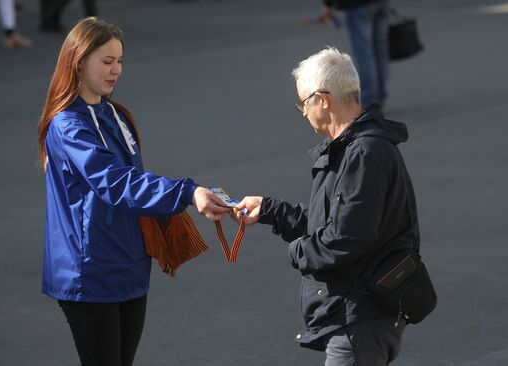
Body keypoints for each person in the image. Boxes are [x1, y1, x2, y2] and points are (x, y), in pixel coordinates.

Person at [37, 17, 230, 366]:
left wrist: (160, 231)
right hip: (89, 273)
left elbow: (132, 184)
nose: (117, 70)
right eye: (107, 61)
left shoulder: (114, 113)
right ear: (79, 62)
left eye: (120, 61)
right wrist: (188, 193)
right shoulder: (67, 125)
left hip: (128, 265)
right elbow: (115, 183)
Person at [233, 47, 418, 365]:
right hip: (359, 316)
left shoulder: (363, 154)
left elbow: (347, 237)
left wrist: (297, 253)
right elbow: (332, 223)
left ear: (322, 99)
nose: (303, 112)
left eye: (303, 103)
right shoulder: (352, 149)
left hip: (359, 320)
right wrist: (271, 211)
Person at [319, 0, 389, 109]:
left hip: (357, 4)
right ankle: (380, 98)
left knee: (365, 53)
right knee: (380, 51)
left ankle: (369, 102)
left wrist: (328, 4)